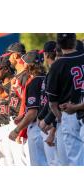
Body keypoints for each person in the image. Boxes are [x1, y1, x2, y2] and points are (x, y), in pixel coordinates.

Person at [46, 33, 84, 165]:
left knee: (74, 159)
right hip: (80, 108)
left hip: (69, 113)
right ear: (74, 42)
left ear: (59, 44)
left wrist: (59, 118)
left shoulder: (57, 65)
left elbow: (52, 102)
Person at [9, 50, 48, 166]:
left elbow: (32, 113)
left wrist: (17, 130)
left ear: (29, 65)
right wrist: (22, 115)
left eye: (25, 62)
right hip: (50, 126)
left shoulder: (33, 82)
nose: (23, 64)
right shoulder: (48, 78)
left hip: (37, 128)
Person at [37, 41, 61, 165]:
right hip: (51, 122)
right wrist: (42, 117)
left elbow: (55, 102)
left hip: (54, 124)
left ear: (46, 55)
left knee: (55, 163)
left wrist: (47, 122)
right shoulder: (52, 72)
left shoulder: (55, 72)